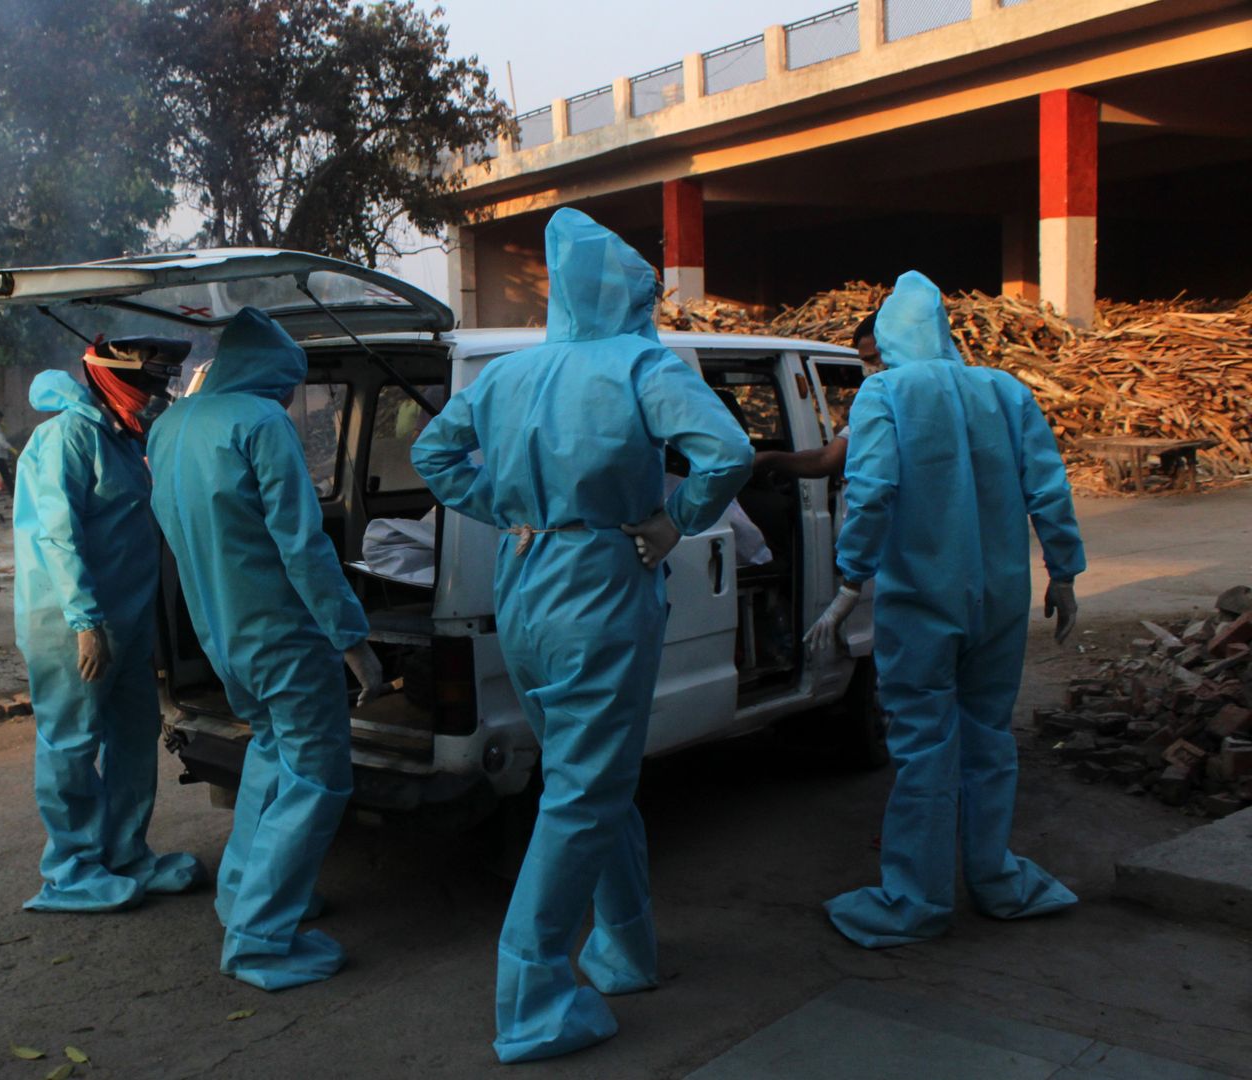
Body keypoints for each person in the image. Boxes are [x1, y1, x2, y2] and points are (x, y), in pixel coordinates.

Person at [412, 208, 754, 1064]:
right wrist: (677, 520)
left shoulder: (507, 376)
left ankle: (625, 947)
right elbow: (727, 452)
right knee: (583, 793)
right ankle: (531, 997)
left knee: (592, 779)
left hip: (524, 579)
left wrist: (507, 509)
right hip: (600, 583)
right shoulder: (640, 362)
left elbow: (435, 457)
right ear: (630, 290)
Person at [806, 271, 1082, 949]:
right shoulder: (1005, 390)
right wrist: (1066, 574)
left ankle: (918, 899)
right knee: (989, 737)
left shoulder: (885, 393)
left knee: (925, 748)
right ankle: (995, 878)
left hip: (924, 599)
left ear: (891, 336)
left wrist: (848, 586)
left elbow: (872, 493)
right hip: (1002, 597)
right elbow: (1048, 486)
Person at [147, 307, 385, 992]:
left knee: (272, 757)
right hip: (285, 636)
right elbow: (304, 547)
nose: (289, 398)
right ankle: (257, 940)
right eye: (289, 383)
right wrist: (355, 642)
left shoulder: (171, 427)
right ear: (269, 373)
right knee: (317, 776)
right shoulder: (261, 425)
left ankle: (245, 894)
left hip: (223, 635)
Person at [14, 336, 204, 912]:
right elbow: (57, 533)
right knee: (72, 743)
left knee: (132, 736)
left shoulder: (121, 439)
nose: (155, 394)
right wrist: (85, 621)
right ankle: (70, 870)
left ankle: (125, 854)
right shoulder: (67, 438)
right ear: (115, 379)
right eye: (148, 383)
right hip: (72, 624)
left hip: (123, 620)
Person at [754, 312, 882, 480]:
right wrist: (767, 459)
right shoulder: (872, 406)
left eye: (872, 359)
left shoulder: (916, 400)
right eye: (864, 361)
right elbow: (826, 459)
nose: (867, 369)